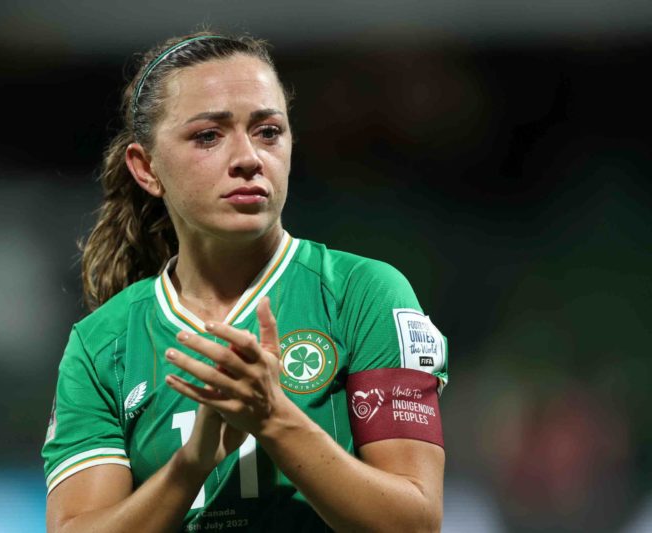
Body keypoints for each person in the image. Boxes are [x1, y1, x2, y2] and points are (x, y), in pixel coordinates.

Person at [42, 31, 449, 533]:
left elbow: (415, 523)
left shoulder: (363, 294)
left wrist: (274, 419)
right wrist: (189, 467)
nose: (249, 158)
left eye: (268, 131)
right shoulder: (100, 345)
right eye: (209, 136)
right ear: (146, 168)